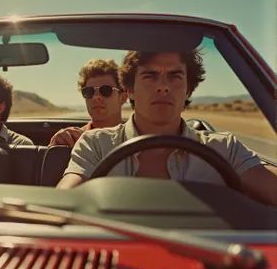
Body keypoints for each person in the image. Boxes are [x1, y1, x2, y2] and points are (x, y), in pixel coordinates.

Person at [56, 50, 277, 207]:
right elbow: (62, 203)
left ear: (189, 90)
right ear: (130, 90)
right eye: (150, 76)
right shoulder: (95, 144)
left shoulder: (224, 148)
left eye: (174, 76)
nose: (163, 86)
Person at [49, 59, 127, 146]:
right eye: (89, 91)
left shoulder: (135, 139)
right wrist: (55, 147)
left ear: (123, 98)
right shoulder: (72, 139)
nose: (95, 97)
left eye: (105, 90)